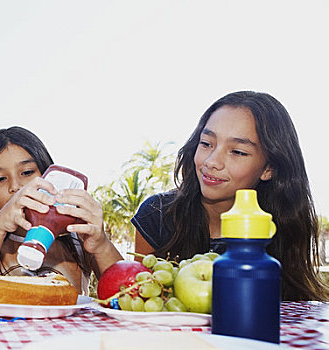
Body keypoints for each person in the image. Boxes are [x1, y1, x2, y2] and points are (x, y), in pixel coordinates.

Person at [132, 90, 327, 301]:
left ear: (268, 168)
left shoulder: (282, 227)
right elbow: (136, 295)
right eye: (206, 143)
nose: (212, 162)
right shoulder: (157, 215)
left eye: (237, 152)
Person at [0, 126, 123, 295]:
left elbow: (128, 294)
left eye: (26, 172)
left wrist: (101, 246)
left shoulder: (76, 238)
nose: (15, 187)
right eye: (0, 179)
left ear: (49, 177)